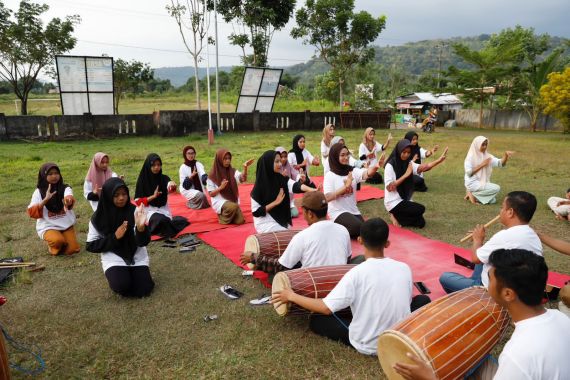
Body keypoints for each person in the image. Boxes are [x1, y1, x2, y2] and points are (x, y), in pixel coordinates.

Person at [394, 249, 570, 380]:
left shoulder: (517, 355)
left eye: (490, 278)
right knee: (472, 352)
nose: (487, 282)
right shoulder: (561, 318)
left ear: (508, 294)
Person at [271, 218, 430, 355]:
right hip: (398, 337)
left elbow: (325, 308)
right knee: (422, 299)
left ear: (359, 241)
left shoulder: (356, 273)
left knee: (317, 320)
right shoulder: (404, 268)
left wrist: (291, 296)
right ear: (387, 243)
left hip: (367, 345)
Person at [439, 191, 542, 294]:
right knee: (482, 253)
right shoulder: (534, 236)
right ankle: (472, 281)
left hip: (491, 291)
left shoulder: (504, 236)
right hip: (521, 289)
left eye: (502, 208)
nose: (500, 211)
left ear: (510, 212)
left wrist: (477, 240)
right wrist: (479, 242)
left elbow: (475, 259)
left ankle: (472, 286)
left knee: (445, 277)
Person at [241, 191, 354, 274]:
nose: (303, 215)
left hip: (314, 286)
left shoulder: (302, 237)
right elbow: (347, 260)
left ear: (310, 214)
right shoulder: (343, 230)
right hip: (340, 281)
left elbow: (281, 267)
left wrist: (253, 258)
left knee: (275, 277)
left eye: (303, 211)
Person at [86, 178, 155, 298]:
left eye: (124, 194)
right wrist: (114, 237)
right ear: (108, 196)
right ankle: (119, 276)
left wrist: (140, 229)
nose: (121, 198)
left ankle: (133, 274)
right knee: (121, 285)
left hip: (136, 255)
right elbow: (90, 245)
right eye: (116, 195)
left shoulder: (135, 212)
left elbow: (143, 242)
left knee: (145, 288)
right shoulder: (98, 218)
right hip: (114, 256)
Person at [384, 140, 447, 228]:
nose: (406, 155)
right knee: (421, 209)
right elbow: (389, 188)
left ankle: (397, 216)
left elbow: (424, 167)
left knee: (421, 223)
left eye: (408, 152)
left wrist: (438, 161)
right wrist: (405, 175)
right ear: (399, 150)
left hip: (404, 199)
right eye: (404, 152)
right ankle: (393, 214)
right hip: (393, 202)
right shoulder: (390, 166)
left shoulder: (408, 163)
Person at [324, 143, 383, 238]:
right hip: (337, 212)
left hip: (353, 211)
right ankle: (334, 228)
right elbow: (327, 198)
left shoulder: (352, 171)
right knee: (359, 228)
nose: (346, 157)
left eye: (347, 154)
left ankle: (344, 229)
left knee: (365, 228)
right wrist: (344, 188)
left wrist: (376, 167)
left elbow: (366, 173)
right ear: (335, 156)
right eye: (342, 155)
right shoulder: (330, 175)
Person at [251, 150, 317, 234]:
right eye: (277, 161)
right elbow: (256, 212)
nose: (280, 164)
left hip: (281, 220)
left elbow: (294, 186)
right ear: (268, 163)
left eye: (280, 161)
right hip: (265, 222)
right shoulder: (259, 186)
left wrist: (312, 190)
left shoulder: (280, 178)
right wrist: (275, 203)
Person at [27, 163, 80, 256]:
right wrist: (45, 200)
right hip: (49, 226)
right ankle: (54, 246)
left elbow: (69, 195)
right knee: (57, 241)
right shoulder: (38, 192)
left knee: (73, 250)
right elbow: (31, 212)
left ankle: (64, 240)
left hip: (66, 225)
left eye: (56, 173)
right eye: (50, 174)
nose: (54, 176)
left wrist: (68, 201)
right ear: (44, 175)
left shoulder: (65, 188)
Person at [134, 153, 189, 238]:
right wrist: (153, 197)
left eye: (159, 165)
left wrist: (172, 185)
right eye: (154, 165)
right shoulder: (142, 181)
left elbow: (169, 185)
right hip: (148, 210)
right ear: (148, 166)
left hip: (163, 209)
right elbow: (138, 202)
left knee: (164, 220)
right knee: (161, 220)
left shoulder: (163, 178)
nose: (156, 167)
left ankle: (164, 227)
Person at [207, 148, 254, 225]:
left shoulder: (232, 171)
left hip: (232, 201)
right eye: (225, 159)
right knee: (233, 206)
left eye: (229, 158)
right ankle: (222, 217)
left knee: (240, 221)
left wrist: (245, 168)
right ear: (219, 159)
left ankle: (230, 213)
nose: (228, 161)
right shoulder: (212, 176)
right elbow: (211, 194)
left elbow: (242, 179)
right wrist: (221, 187)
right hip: (219, 201)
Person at [464, 136, 513, 205]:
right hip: (472, 183)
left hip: (481, 182)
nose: (485, 147)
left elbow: (500, 163)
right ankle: (472, 193)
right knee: (496, 188)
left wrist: (505, 156)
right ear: (477, 145)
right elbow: (469, 173)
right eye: (483, 144)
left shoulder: (487, 156)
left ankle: (471, 194)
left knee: (493, 200)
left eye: (486, 144)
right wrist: (482, 164)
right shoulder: (470, 157)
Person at [178, 145, 209, 210]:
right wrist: (191, 176)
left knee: (204, 202)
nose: (191, 155)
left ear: (195, 154)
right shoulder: (182, 168)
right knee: (201, 196)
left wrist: (206, 178)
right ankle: (190, 204)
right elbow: (185, 186)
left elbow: (203, 174)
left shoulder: (198, 164)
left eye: (192, 153)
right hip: (187, 189)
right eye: (188, 153)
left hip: (199, 189)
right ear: (185, 155)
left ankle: (195, 202)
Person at [275, 146, 302, 218]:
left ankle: (287, 210)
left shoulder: (288, 165)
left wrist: (300, 176)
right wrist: (281, 177)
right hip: (277, 196)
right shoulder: (274, 167)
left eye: (285, 156)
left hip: (288, 196)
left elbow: (295, 173)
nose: (283, 159)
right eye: (281, 157)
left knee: (295, 214)